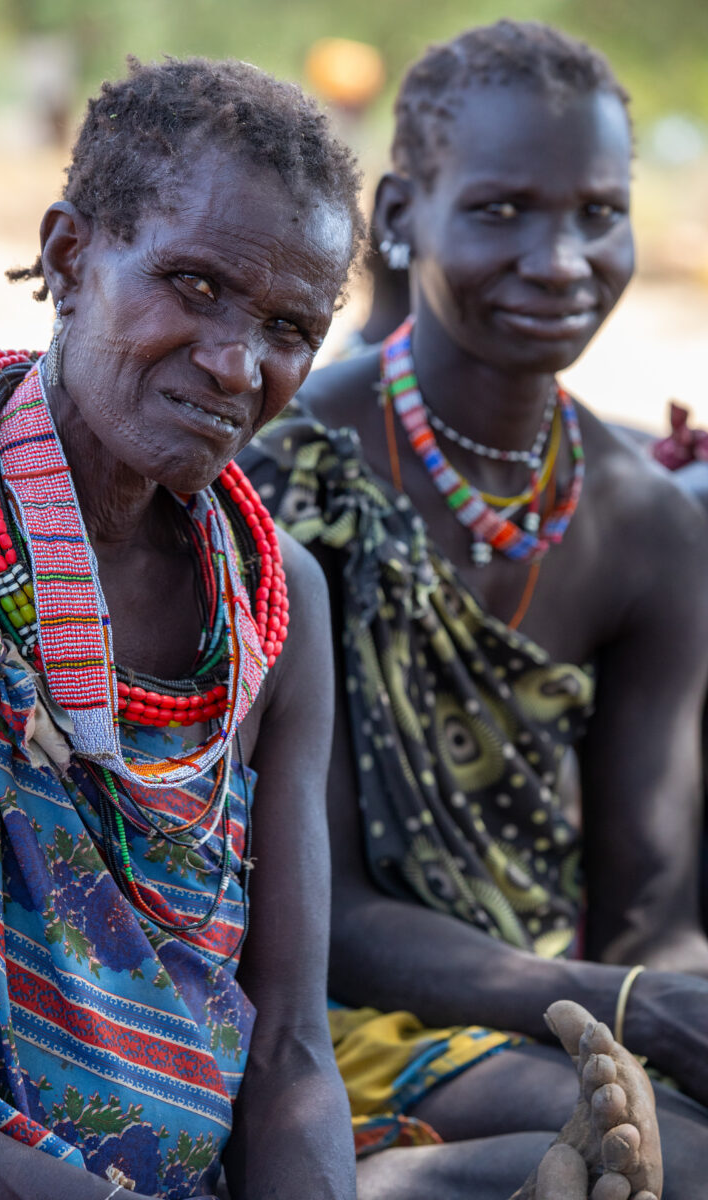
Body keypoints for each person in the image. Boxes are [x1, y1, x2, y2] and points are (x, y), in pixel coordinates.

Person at [242, 20, 708, 1198]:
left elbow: (646, 906)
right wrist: (632, 1012)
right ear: (398, 214)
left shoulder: (642, 522)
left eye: (596, 212)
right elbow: (326, 914)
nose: (558, 259)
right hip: (320, 1011)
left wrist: (660, 1004)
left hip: (560, 1008)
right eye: (501, 210)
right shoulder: (295, 481)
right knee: (670, 1155)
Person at [0, 56, 364, 1200]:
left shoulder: (276, 605)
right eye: (195, 286)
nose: (234, 363)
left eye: (287, 326)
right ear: (69, 258)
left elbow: (289, 1053)